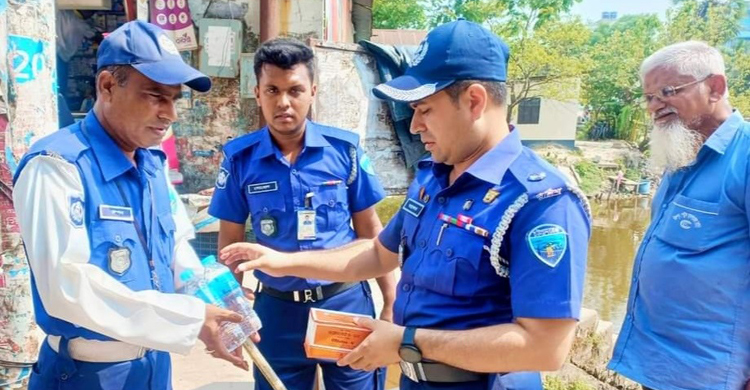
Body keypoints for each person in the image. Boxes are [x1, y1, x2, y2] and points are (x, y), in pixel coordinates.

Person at [220, 20, 591, 390]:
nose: (414, 126)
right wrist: (281, 262)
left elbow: (544, 348)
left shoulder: (539, 202)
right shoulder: (433, 178)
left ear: (474, 101)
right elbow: (378, 254)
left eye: (425, 109)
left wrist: (405, 342)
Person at [12, 20, 251, 390]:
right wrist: (188, 319)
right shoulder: (57, 165)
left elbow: (174, 252)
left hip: (154, 366)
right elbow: (66, 288)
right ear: (108, 86)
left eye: (174, 99)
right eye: (155, 95)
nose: (169, 114)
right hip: (86, 373)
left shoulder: (152, 166)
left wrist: (213, 297)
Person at [207, 38, 395, 390]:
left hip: (343, 305)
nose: (284, 103)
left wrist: (391, 303)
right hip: (276, 313)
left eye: (295, 90)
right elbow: (229, 245)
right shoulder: (239, 160)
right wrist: (231, 315)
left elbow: (373, 235)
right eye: (272, 90)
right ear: (258, 93)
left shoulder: (345, 151)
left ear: (312, 91)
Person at [607, 41, 750, 390]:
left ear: (714, 87)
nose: (655, 106)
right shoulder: (680, 154)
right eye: (649, 97)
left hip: (711, 375)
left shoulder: (744, 157)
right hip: (659, 366)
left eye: (667, 92)